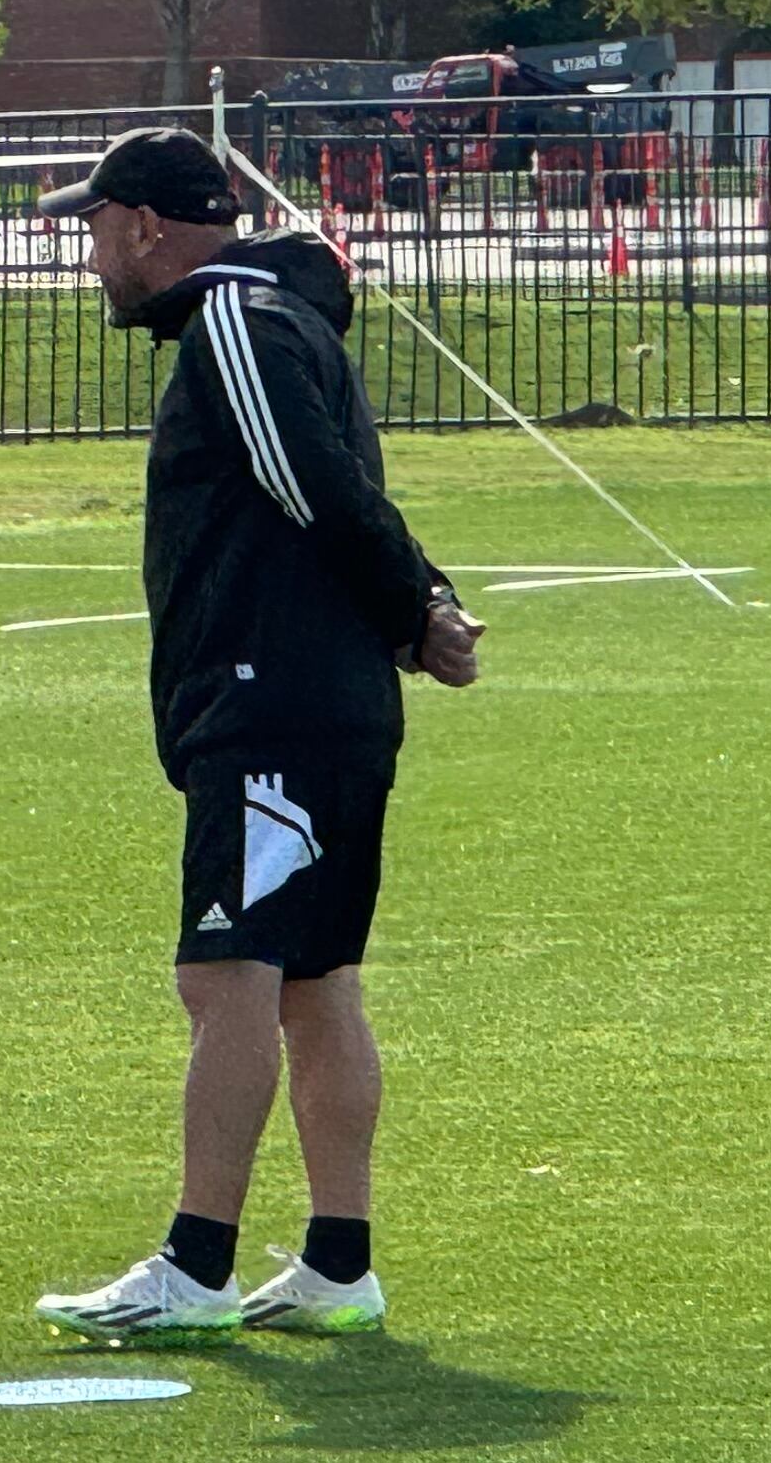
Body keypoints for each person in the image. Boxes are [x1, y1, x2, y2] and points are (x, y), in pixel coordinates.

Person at [27, 127, 482, 1344]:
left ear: (142, 226)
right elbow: (333, 487)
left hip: (271, 702)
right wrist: (417, 604)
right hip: (314, 701)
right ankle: (339, 1265)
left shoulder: (233, 328)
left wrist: (414, 604)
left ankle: (198, 1263)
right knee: (317, 984)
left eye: (93, 228)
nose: (89, 258)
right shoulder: (276, 321)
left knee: (225, 974)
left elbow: (315, 483)